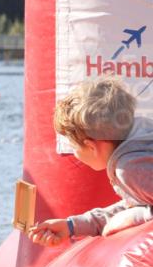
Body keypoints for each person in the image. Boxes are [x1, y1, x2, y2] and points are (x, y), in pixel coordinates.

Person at [28, 76, 152, 246]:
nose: (74, 153)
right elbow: (136, 203)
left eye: (73, 145)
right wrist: (71, 226)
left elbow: (139, 208)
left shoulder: (130, 167)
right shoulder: (142, 136)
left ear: (90, 146)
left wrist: (138, 216)